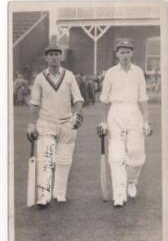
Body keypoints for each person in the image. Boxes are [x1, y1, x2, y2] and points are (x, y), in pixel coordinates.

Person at [26, 44, 84, 206]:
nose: (54, 57)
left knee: (64, 161)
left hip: (66, 123)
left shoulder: (69, 76)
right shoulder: (40, 78)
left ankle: (60, 193)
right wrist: (31, 124)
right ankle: (44, 195)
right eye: (50, 54)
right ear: (46, 58)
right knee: (46, 159)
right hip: (46, 123)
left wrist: (77, 114)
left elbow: (78, 99)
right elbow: (35, 103)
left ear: (61, 57)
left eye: (57, 54)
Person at [97, 39, 152, 207]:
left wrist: (146, 121)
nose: (125, 55)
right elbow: (105, 100)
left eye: (128, 52)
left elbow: (143, 98)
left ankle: (132, 181)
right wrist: (104, 121)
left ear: (132, 53)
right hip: (116, 113)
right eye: (122, 52)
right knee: (116, 155)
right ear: (117, 54)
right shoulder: (111, 73)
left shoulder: (138, 72)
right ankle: (119, 195)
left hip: (134, 112)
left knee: (136, 153)